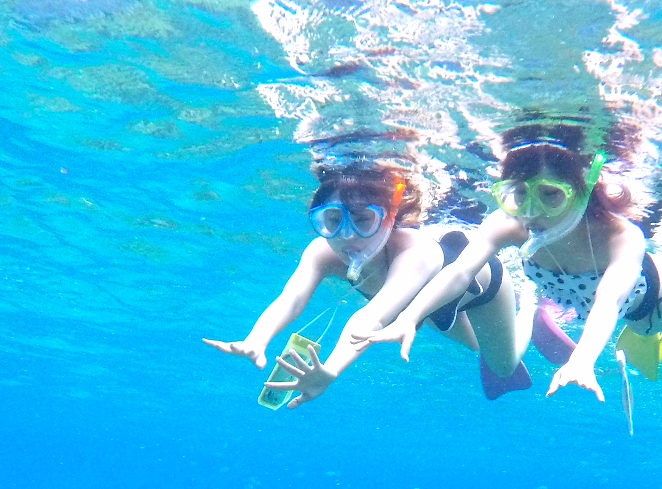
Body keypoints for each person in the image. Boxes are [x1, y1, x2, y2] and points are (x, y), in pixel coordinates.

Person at [352, 123, 662, 401]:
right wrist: (410, 318)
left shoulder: (619, 235)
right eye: (519, 195)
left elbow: (608, 301)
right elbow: (459, 273)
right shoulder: (509, 225)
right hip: (575, 299)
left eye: (551, 195)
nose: (532, 212)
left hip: (646, 300)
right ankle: (546, 310)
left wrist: (582, 359)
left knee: (660, 324)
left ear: (582, 189)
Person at [204, 162, 535, 406]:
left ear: (390, 216)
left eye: (363, 220)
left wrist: (330, 370)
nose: (347, 235)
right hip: (418, 312)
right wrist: (257, 339)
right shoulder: (323, 250)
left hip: (478, 291)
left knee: (502, 364)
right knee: (477, 346)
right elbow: (290, 299)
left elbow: (371, 318)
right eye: (332, 220)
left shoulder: (415, 252)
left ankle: (532, 306)